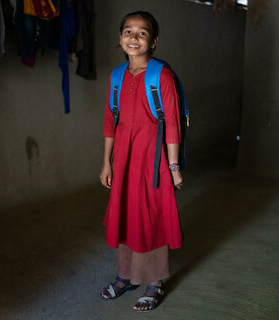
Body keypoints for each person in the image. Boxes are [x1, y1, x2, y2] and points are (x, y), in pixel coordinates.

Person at [99, 11, 183, 312]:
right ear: (120, 37)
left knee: (150, 217)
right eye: (128, 31)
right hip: (124, 157)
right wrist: (107, 162)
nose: (133, 37)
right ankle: (126, 276)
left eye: (142, 33)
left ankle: (154, 282)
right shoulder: (117, 76)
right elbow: (111, 121)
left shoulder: (161, 76)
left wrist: (173, 167)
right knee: (125, 213)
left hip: (152, 160)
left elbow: (171, 124)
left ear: (154, 40)